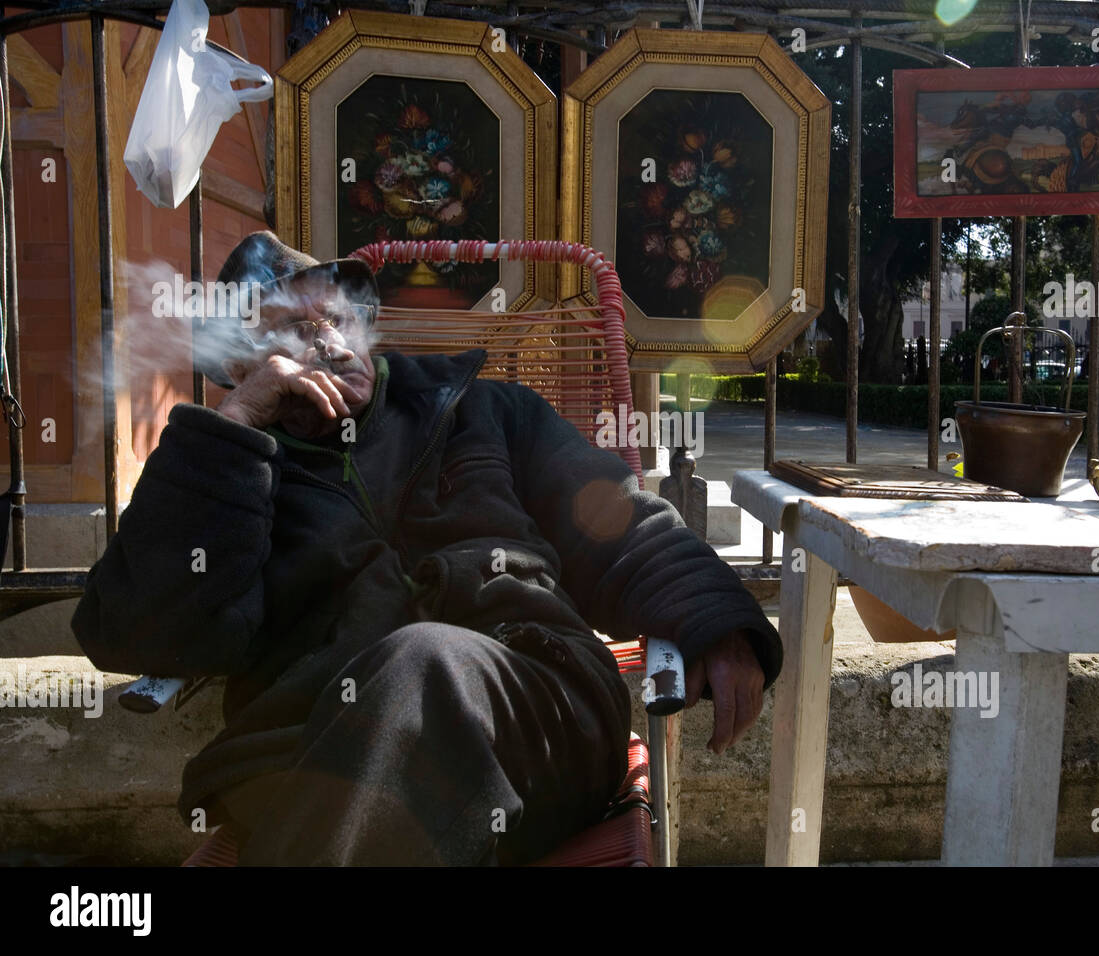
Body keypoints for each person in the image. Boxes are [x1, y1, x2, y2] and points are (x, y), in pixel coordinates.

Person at [71, 231, 782, 866]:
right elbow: (139, 631)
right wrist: (231, 431)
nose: (326, 340)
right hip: (307, 752)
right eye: (290, 328)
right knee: (406, 688)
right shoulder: (228, 470)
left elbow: (623, 524)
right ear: (243, 365)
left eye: (337, 318)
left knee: (425, 661)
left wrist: (716, 620)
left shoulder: (484, 409)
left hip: (535, 714)